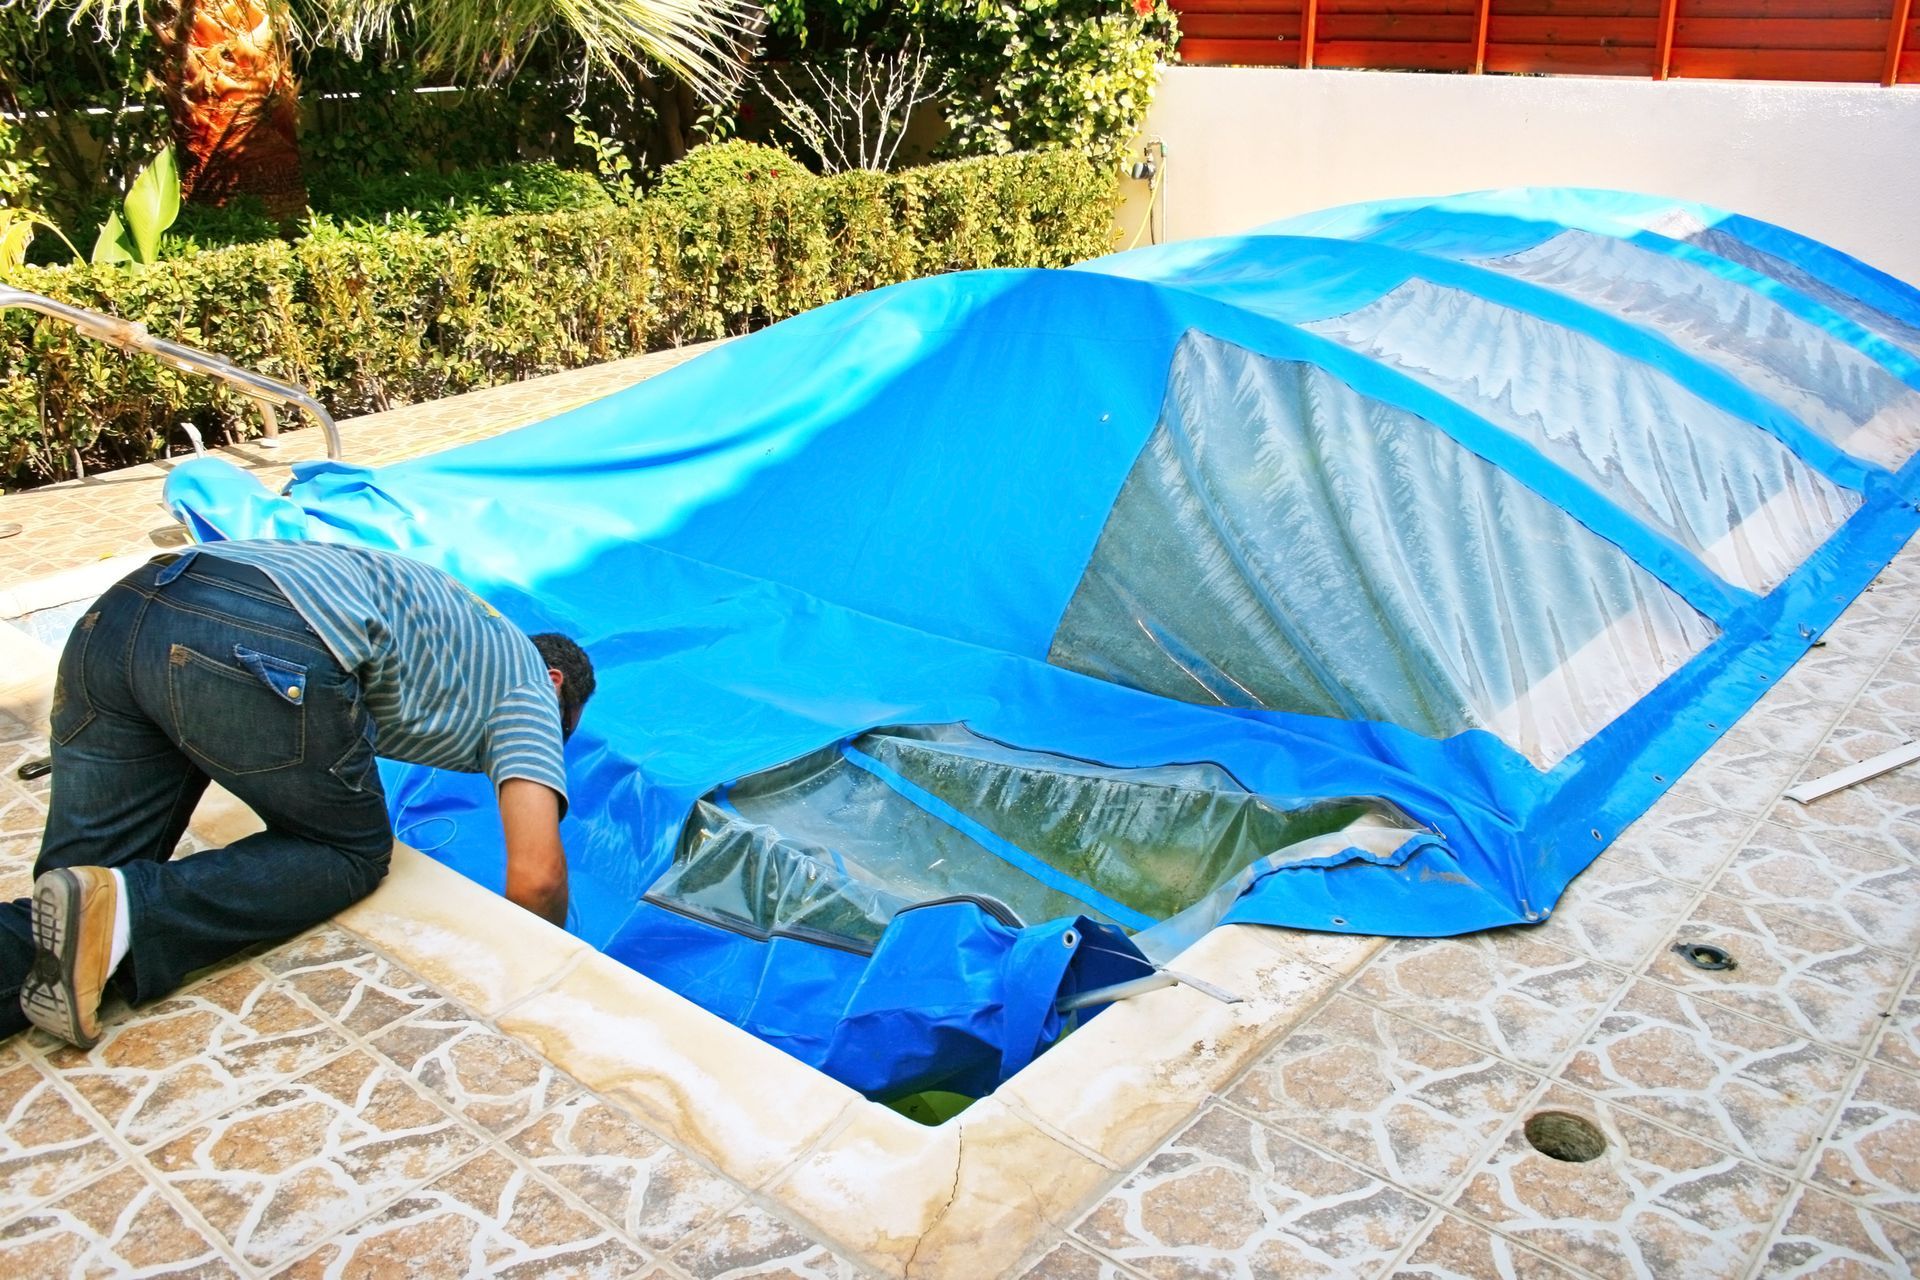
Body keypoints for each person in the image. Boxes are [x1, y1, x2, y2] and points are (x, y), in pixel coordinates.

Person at [0, 540, 595, 1049]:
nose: (554, 746)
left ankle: (97, 919)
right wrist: (546, 976)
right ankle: (130, 907)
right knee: (349, 852)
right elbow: (537, 876)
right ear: (558, 684)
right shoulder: (530, 686)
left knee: (70, 911)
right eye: (564, 731)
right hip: (259, 627)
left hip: (126, 608)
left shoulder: (467, 634)